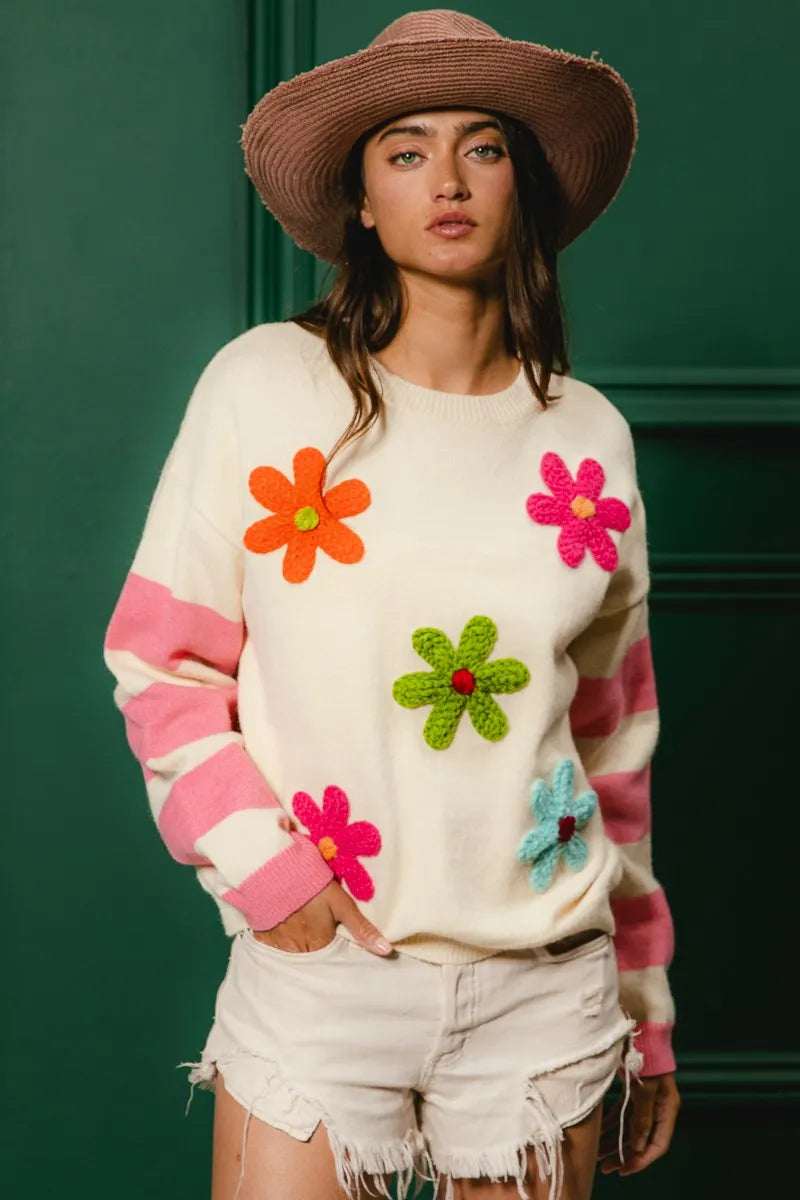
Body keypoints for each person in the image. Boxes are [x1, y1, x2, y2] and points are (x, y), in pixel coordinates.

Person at [102, 9, 680, 1200]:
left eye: (483, 147)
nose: (448, 180)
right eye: (406, 151)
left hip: (544, 983)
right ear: (361, 202)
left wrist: (645, 1011)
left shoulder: (585, 436)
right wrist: (276, 882)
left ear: (520, 185)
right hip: (322, 972)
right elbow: (162, 665)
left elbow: (610, 748)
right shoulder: (265, 388)